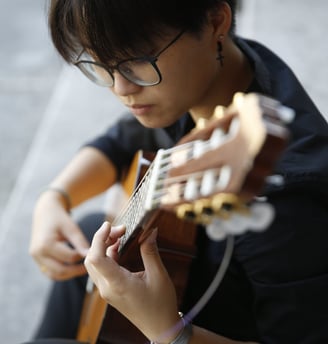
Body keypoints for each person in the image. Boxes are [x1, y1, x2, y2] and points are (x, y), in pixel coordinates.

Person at [29, 0, 328, 343]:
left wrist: (170, 331)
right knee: (80, 237)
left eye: (138, 59)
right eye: (99, 63)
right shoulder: (224, 70)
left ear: (216, 20)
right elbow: (123, 138)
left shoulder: (287, 203)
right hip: (183, 283)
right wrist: (53, 198)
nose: (121, 89)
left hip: (200, 324)